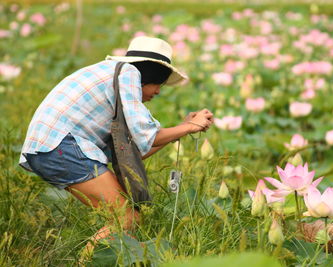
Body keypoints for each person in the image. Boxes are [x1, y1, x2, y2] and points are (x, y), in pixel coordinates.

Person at [19, 36, 214, 251]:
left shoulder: (113, 76)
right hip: (63, 145)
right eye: (158, 84)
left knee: (127, 219)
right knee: (126, 218)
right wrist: (189, 127)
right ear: (148, 74)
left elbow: (133, 150)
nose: (158, 92)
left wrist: (182, 129)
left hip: (49, 148)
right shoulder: (129, 73)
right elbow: (146, 135)